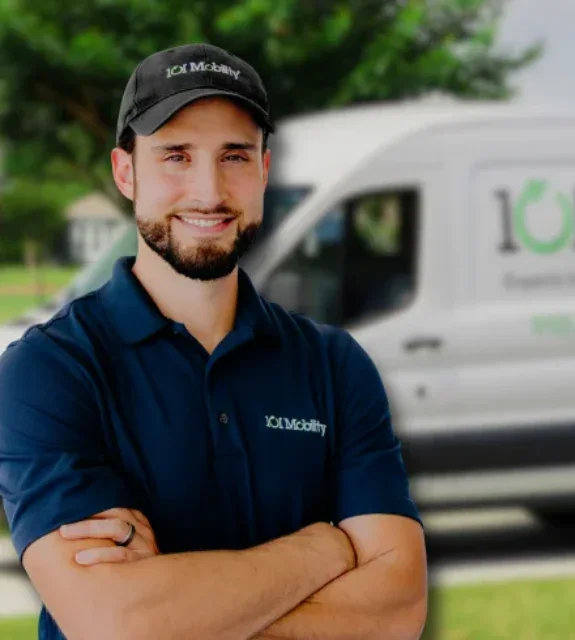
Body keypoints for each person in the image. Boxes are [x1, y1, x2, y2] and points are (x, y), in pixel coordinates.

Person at [0, 43, 427, 639]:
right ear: (126, 172)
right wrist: (323, 549)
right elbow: (115, 625)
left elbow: (397, 608)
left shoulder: (334, 366)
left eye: (234, 156)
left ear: (264, 171)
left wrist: (182, 615)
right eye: (176, 155)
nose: (208, 189)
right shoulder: (49, 371)